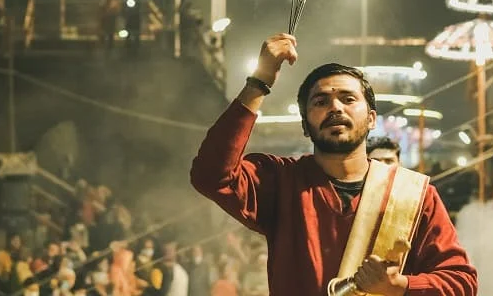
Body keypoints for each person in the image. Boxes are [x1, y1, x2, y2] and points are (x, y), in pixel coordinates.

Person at [191, 33, 478, 296]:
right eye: (321, 101)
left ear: (372, 118)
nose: (335, 108)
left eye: (348, 99)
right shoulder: (281, 181)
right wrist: (260, 80)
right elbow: (210, 174)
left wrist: (400, 286)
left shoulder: (413, 194)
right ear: (306, 125)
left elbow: (461, 282)